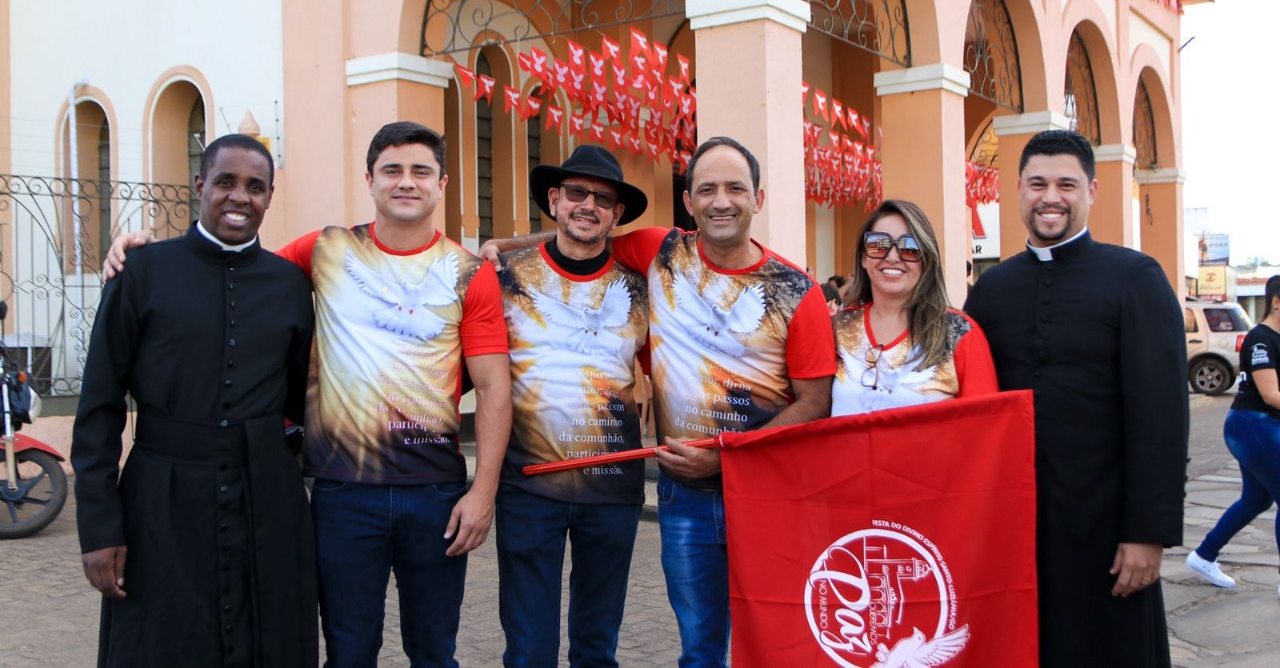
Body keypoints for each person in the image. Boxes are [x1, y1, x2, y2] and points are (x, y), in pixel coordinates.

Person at [105, 122, 513, 668]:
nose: (406, 182)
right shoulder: (324, 249)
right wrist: (143, 254)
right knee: (348, 652)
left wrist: (482, 493)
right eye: (392, 170)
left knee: (435, 652)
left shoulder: (469, 273)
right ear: (369, 180)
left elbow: (492, 386)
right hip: (342, 494)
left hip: (434, 493)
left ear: (441, 184)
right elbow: (232, 271)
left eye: (421, 171)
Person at [481, 136, 835, 668]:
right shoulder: (659, 251)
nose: (721, 200)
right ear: (688, 201)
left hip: (764, 493)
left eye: (735, 188)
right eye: (707, 189)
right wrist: (504, 245)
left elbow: (816, 402)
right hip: (681, 496)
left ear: (758, 198)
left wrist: (727, 455)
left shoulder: (796, 290)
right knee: (698, 650)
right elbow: (583, 234)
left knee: (775, 641)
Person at [72, 134, 318, 667]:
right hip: (160, 498)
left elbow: (303, 394)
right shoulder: (141, 272)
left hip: (267, 497)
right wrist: (99, 527)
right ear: (201, 185)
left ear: (269, 197)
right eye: (226, 182)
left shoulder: (290, 284)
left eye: (255, 187)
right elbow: (99, 406)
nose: (240, 197)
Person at [964, 130, 1188, 668]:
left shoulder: (1135, 278)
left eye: (1066, 185)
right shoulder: (992, 290)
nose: (1051, 197)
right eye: (1037, 184)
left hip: (1107, 524)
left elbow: (1160, 417)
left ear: (1092, 190)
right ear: (1018, 189)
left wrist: (1148, 533)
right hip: (1018, 523)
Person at [495, 145, 650, 667]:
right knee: (528, 650)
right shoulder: (504, 277)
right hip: (527, 485)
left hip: (612, 487)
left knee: (596, 648)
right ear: (554, 201)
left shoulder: (640, 290)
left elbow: (670, 372)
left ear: (617, 214)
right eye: (577, 193)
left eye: (602, 199)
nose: (588, 205)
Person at [831, 199, 997, 416]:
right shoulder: (835, 329)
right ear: (863, 257)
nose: (892, 257)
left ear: (926, 259)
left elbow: (986, 425)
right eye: (878, 244)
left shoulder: (959, 334)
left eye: (909, 248)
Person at [1186, 274, 1280, 594]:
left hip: (1259, 427)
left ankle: (1204, 555)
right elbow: (1270, 394)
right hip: (1252, 425)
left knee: (1257, 499)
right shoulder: (1261, 339)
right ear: (1276, 302)